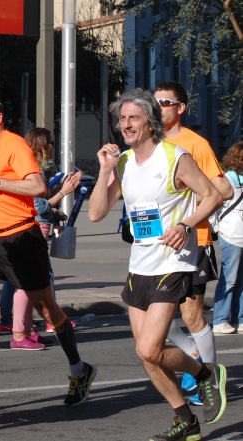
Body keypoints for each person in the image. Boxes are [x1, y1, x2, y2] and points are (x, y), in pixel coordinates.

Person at [88, 88, 227, 440]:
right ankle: (185, 419)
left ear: (150, 122)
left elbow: (212, 194)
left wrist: (186, 225)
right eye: (122, 119)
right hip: (140, 265)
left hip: (174, 262)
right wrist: (104, 171)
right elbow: (96, 214)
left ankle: (204, 373)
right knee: (147, 356)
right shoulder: (122, 163)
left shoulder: (175, 157)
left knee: (149, 347)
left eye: (133, 117)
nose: (126, 125)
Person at [0, 95, 96, 407]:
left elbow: (38, 187)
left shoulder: (14, 145)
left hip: (21, 239)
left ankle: (79, 370)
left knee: (47, 311)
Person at [154, 81, 233, 405]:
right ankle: (198, 361)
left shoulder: (194, 144)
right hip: (157, 245)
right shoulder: (152, 143)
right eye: (154, 101)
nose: (159, 108)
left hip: (193, 242)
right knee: (153, 318)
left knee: (191, 317)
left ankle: (210, 376)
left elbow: (223, 189)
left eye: (165, 102)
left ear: (180, 108)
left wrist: (191, 207)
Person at [10, 128, 81, 350]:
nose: (53, 146)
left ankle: (28, 329)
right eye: (50, 142)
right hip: (33, 227)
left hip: (33, 226)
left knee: (33, 280)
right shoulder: (36, 169)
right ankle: (19, 333)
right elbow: (39, 205)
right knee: (28, 282)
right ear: (43, 145)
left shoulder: (37, 168)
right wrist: (63, 192)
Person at [212, 142, 243, 334]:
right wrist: (218, 228)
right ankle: (220, 319)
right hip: (231, 236)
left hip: (239, 235)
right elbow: (210, 204)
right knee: (229, 279)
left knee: (240, 280)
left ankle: (239, 318)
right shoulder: (227, 180)